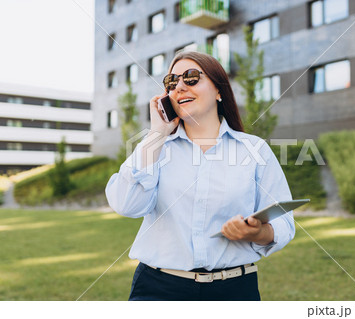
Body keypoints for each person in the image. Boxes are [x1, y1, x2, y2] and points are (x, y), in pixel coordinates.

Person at [105, 51, 295, 301]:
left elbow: (284, 223)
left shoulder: (255, 150)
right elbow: (127, 205)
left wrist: (256, 233)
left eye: (191, 77)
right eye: (171, 82)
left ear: (219, 91)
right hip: (158, 291)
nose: (180, 86)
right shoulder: (155, 148)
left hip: (234, 292)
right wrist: (157, 134)